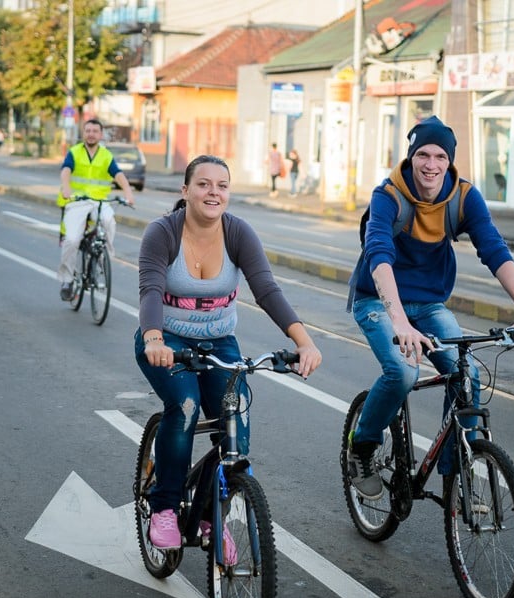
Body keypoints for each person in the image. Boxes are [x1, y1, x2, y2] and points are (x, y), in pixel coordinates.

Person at [345, 116, 514, 499]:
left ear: (450, 161)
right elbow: (379, 255)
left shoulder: (464, 197)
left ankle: (459, 474)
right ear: (411, 157)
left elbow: (493, 248)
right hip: (378, 301)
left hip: (429, 303)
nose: (431, 165)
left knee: (465, 375)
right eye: (422, 154)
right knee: (403, 372)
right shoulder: (388, 195)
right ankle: (364, 445)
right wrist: (399, 322)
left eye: (439, 156)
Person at [135, 154, 322, 548]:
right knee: (184, 405)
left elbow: (267, 290)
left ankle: (208, 515)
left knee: (234, 424)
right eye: (203, 184)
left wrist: (303, 342)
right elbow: (151, 289)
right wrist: (153, 338)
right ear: (185, 191)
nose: (213, 192)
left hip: (219, 342)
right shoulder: (163, 233)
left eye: (221, 185)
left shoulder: (239, 233)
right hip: (167, 340)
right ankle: (165, 507)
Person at [56, 118, 135, 301]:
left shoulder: (106, 155)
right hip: (77, 200)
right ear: (84, 133)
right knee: (72, 239)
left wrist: (128, 193)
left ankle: (101, 259)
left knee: (109, 221)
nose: (91, 134)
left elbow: (118, 175)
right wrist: (66, 187)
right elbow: (66, 170)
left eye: (95, 131)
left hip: (99, 201)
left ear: (100, 135)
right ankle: (67, 280)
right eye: (88, 130)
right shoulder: (74, 152)